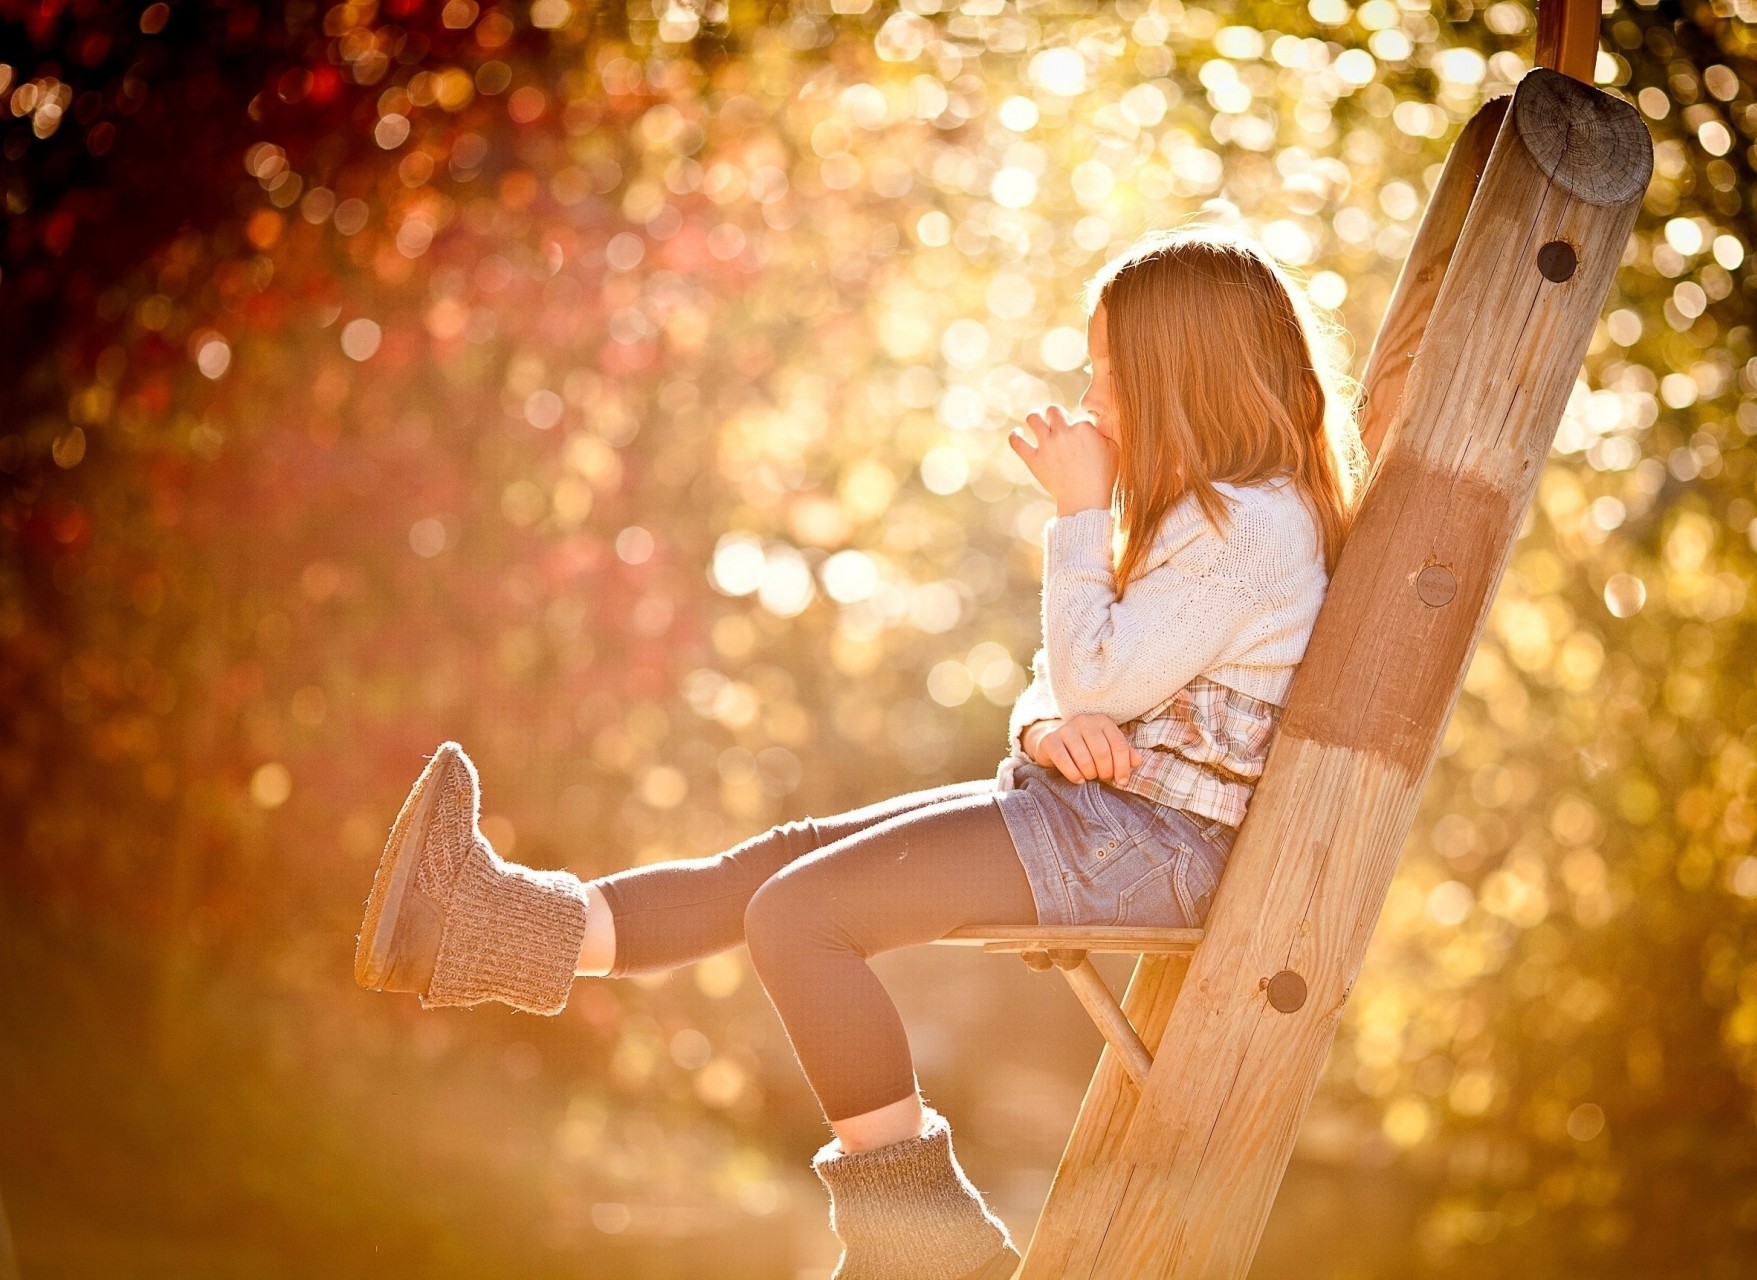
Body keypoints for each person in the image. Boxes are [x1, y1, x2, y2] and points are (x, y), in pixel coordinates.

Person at [352, 223, 1365, 1280]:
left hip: (1152, 843)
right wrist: (1041, 724)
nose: (1094, 397)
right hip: (1104, 819)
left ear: (1181, 372)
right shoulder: (1209, 518)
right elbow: (1070, 673)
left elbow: (1095, 670)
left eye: (1108, 371)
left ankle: (921, 1243)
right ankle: (477, 928)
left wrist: (1076, 516)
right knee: (771, 869)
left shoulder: (1253, 527)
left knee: (801, 915)